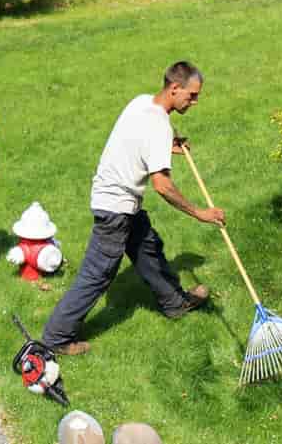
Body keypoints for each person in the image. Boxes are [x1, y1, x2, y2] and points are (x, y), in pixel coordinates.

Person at [41, 61, 226, 355]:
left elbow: (138, 140)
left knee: (147, 248)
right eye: (192, 95)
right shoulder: (159, 126)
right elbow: (162, 186)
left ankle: (175, 302)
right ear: (175, 88)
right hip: (116, 208)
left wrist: (167, 145)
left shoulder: (141, 102)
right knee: (97, 274)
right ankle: (56, 337)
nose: (195, 101)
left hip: (115, 197)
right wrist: (200, 213)